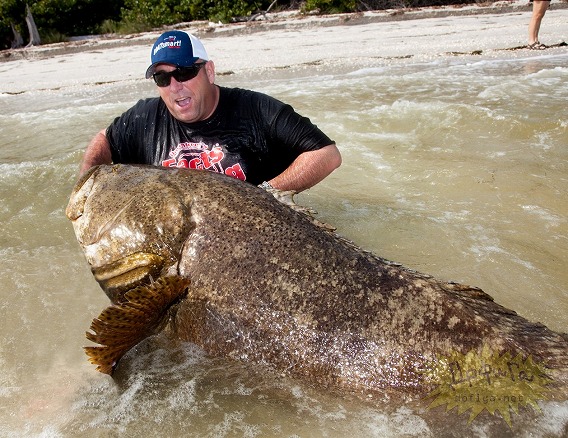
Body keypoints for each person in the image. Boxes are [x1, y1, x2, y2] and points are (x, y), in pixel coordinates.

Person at [79, 30, 341, 193]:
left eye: (184, 72)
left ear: (210, 71)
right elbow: (105, 139)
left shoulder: (256, 110)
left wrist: (266, 195)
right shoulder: (143, 118)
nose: (175, 86)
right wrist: (86, 184)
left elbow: (327, 155)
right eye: (162, 78)